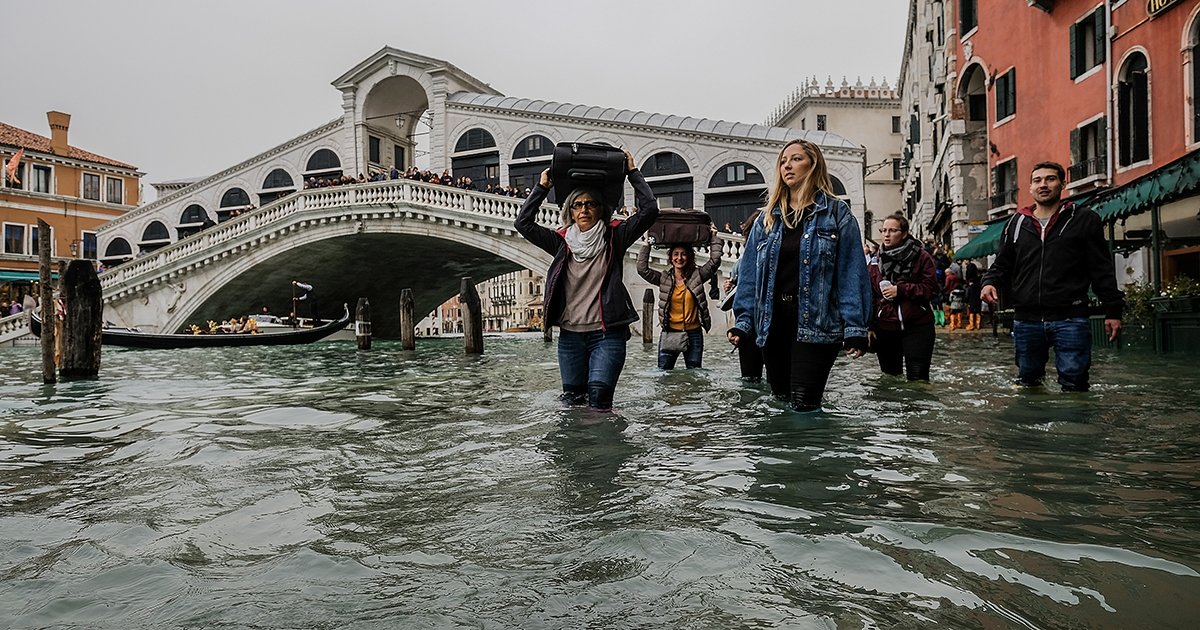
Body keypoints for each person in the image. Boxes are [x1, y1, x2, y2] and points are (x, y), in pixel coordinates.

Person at [728, 139, 873, 412]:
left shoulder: (837, 214)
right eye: (783, 161)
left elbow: (851, 272)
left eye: (795, 159)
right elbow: (749, 275)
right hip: (773, 324)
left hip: (817, 325)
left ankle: (815, 451)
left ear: (813, 164)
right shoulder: (766, 219)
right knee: (780, 402)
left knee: (805, 406)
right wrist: (744, 322)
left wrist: (856, 328)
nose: (787, 166)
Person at [514, 150, 658, 410]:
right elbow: (523, 224)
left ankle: (604, 448)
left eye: (590, 204)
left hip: (607, 335)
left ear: (600, 209)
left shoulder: (615, 237)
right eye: (578, 205)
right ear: (570, 210)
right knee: (572, 404)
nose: (584, 209)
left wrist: (633, 173)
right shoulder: (560, 243)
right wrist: (541, 187)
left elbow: (650, 210)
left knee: (600, 402)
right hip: (570, 338)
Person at [981, 161, 1123, 391]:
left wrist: (1113, 311)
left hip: (1071, 317)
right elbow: (1002, 264)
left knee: (1075, 384)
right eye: (1037, 181)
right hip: (1027, 319)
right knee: (1028, 383)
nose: (1043, 185)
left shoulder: (1084, 219)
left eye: (1050, 179)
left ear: (1062, 184)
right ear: (1030, 188)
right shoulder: (1016, 223)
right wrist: (988, 282)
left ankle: (1071, 426)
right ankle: (1029, 426)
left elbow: (1101, 269)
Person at [637, 225, 724, 369]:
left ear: (689, 257)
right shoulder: (664, 278)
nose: (679, 258)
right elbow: (642, 269)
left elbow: (714, 261)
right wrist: (646, 244)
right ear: (671, 258)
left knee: (695, 375)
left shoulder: (697, 276)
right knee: (663, 375)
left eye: (683, 254)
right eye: (676, 254)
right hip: (670, 333)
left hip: (694, 334)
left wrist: (714, 237)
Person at [868, 213, 939, 381]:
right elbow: (870, 294)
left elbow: (931, 289)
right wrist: (869, 325)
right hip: (885, 327)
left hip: (918, 326)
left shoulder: (922, 257)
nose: (886, 234)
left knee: (918, 377)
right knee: (890, 378)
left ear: (904, 233)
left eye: (892, 230)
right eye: (884, 230)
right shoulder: (874, 260)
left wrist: (900, 290)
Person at [722, 211, 764, 381]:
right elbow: (740, 291)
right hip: (749, 325)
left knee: (751, 380)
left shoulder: (742, 261)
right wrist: (730, 287)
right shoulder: (740, 263)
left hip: (753, 325)